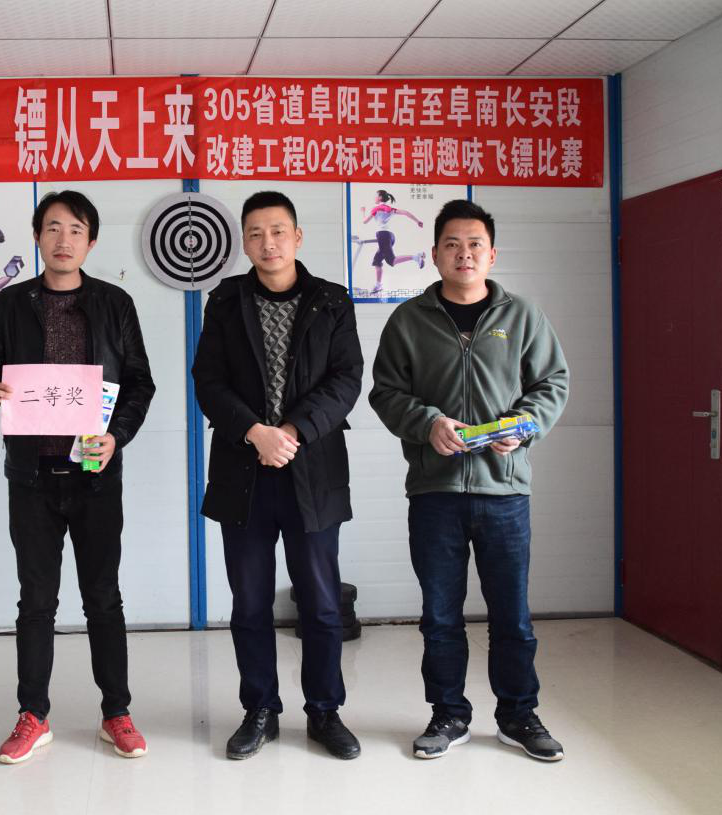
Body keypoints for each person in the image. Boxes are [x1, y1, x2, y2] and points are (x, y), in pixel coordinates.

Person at [368, 199, 570, 762]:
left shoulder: (522, 316)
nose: (464, 254)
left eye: (475, 244)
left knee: (513, 616)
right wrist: (427, 422)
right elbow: (385, 392)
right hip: (435, 492)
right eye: (452, 245)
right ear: (434, 254)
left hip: (504, 492)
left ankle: (518, 715)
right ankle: (448, 714)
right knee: (440, 616)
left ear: (492, 254)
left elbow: (553, 382)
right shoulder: (409, 320)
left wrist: (523, 427)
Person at [0, 191, 156, 764]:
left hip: (95, 475)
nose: (63, 239)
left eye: (75, 229)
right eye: (52, 228)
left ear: (91, 241)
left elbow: (140, 383)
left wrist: (117, 435)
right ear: (37, 236)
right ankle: (33, 715)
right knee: (36, 601)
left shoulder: (114, 304)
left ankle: (116, 713)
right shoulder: (10, 305)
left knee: (103, 597)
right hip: (31, 478)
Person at [193, 190, 364, 761]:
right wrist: (255, 433)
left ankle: (325, 711)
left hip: (311, 469)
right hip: (244, 470)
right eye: (256, 234)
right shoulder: (225, 301)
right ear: (244, 243)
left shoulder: (331, 301)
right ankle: (260, 710)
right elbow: (208, 381)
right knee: (249, 602)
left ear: (297, 237)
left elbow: (346, 379)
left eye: (278, 231)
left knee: (321, 602)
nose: (268, 243)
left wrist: (290, 432)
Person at [361, 189, 423, 294]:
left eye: (376, 196)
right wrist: (417, 221)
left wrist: (363, 211)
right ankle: (378, 285)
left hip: (383, 235)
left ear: (380, 197)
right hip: (390, 236)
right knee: (377, 260)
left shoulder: (376, 208)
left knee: (391, 260)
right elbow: (405, 213)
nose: (374, 198)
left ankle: (416, 257)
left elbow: (364, 221)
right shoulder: (389, 209)